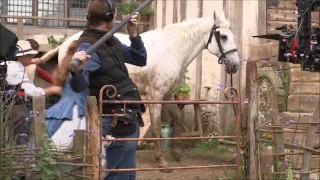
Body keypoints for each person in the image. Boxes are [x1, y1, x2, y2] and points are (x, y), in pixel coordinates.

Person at [68, 0, 147, 179]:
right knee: (117, 175)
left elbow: (139, 59)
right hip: (114, 119)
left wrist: (134, 35)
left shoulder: (109, 41)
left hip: (124, 115)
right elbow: (78, 86)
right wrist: (77, 70)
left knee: (125, 173)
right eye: (115, 14)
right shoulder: (89, 46)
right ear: (110, 17)